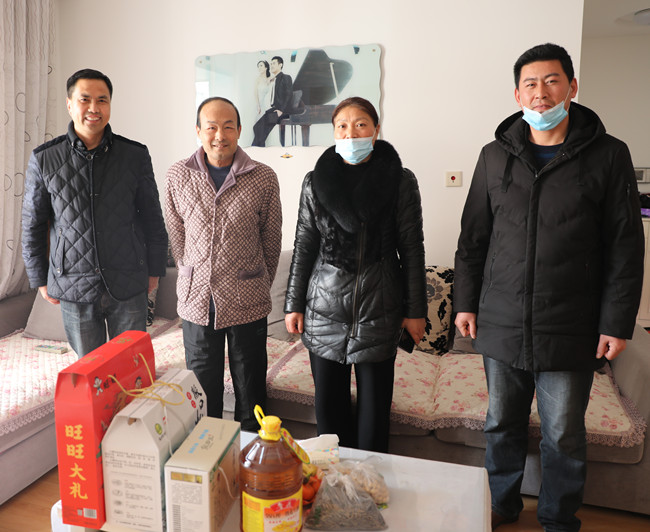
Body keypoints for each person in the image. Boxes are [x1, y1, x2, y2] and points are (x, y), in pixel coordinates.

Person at [453, 43, 644, 531]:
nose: (541, 93)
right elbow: (473, 239)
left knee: (563, 433)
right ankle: (502, 505)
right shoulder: (494, 156)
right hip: (501, 320)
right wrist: (465, 303)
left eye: (552, 81)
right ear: (518, 94)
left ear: (572, 87)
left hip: (571, 323)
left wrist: (616, 323)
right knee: (501, 424)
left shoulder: (609, 155)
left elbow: (625, 246)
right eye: (531, 84)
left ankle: (558, 519)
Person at [284, 96, 427, 452]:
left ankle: (370, 484)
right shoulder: (315, 182)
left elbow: (412, 249)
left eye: (360, 124)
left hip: (379, 310)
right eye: (342, 126)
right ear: (334, 133)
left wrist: (416, 311)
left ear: (376, 130)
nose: (351, 134)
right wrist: (293, 304)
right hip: (323, 310)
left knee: (373, 423)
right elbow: (304, 245)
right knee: (329, 422)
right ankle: (332, 483)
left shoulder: (400, 181)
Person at [21, 68, 168, 358]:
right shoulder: (45, 158)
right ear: (69, 104)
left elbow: (153, 217)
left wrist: (155, 269)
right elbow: (33, 224)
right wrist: (39, 279)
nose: (94, 108)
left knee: (131, 366)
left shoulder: (134, 155)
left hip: (128, 280)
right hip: (74, 284)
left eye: (102, 100)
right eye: (85, 99)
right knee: (90, 370)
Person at [165, 97, 282, 431]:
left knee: (251, 393)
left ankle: (252, 456)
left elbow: (271, 240)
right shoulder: (177, 175)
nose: (220, 135)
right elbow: (177, 237)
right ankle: (209, 456)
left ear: (240, 130)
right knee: (203, 395)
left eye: (228, 126)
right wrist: (193, 273)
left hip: (248, 301)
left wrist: (256, 281)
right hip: (197, 301)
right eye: (212, 127)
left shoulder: (263, 177)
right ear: (198, 131)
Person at [251, 56, 293, 147]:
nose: (271, 65)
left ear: (280, 65)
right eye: (271, 64)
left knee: (261, 131)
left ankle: (256, 150)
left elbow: (288, 95)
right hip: (275, 109)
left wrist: (281, 110)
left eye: (274, 63)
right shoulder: (274, 79)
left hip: (283, 111)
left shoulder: (286, 77)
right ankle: (257, 149)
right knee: (256, 127)